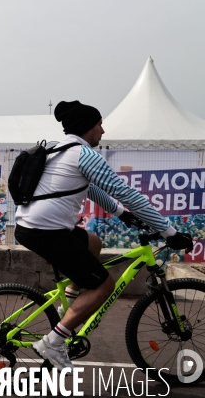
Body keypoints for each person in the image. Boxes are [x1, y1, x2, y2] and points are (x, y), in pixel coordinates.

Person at [14, 101, 193, 371]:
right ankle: (53, 342)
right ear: (88, 127)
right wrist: (169, 231)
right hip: (46, 231)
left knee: (94, 243)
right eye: (99, 124)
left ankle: (70, 303)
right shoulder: (85, 155)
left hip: (33, 226)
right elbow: (127, 193)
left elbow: (87, 188)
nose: (103, 130)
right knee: (104, 286)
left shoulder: (57, 148)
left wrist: (120, 213)